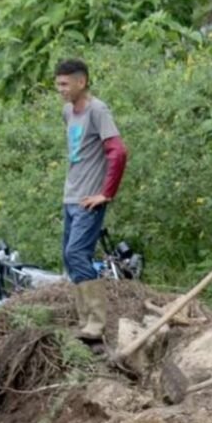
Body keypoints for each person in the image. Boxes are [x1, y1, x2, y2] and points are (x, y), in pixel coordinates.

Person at [55, 59, 128, 341]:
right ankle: (84, 322)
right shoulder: (67, 112)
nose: (60, 89)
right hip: (71, 197)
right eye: (57, 83)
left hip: (90, 200)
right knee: (68, 257)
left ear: (81, 82)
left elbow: (118, 152)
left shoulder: (98, 110)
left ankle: (96, 324)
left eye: (64, 83)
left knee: (77, 254)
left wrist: (106, 193)